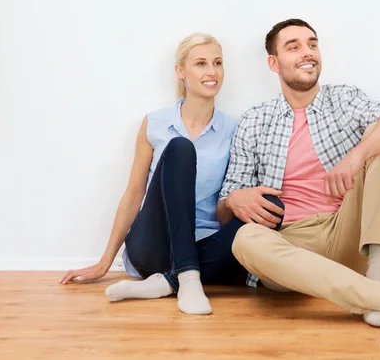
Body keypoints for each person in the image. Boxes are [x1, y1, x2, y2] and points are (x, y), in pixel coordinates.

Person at [216, 19, 380, 341]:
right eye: (293, 46)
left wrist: (355, 157)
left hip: (347, 230)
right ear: (274, 63)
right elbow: (224, 210)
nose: (307, 53)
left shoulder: (343, 99)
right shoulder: (254, 121)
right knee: (245, 240)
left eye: (312, 44)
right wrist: (233, 199)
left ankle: (379, 279)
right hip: (292, 245)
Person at [59, 33, 265, 315]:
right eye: (201, 63)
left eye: (217, 63)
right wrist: (104, 262)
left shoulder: (235, 129)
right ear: (181, 72)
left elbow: (228, 203)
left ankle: (168, 283)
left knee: (271, 211)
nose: (212, 72)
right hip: (154, 247)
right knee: (181, 148)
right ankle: (189, 277)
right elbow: (134, 194)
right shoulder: (154, 123)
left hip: (204, 243)